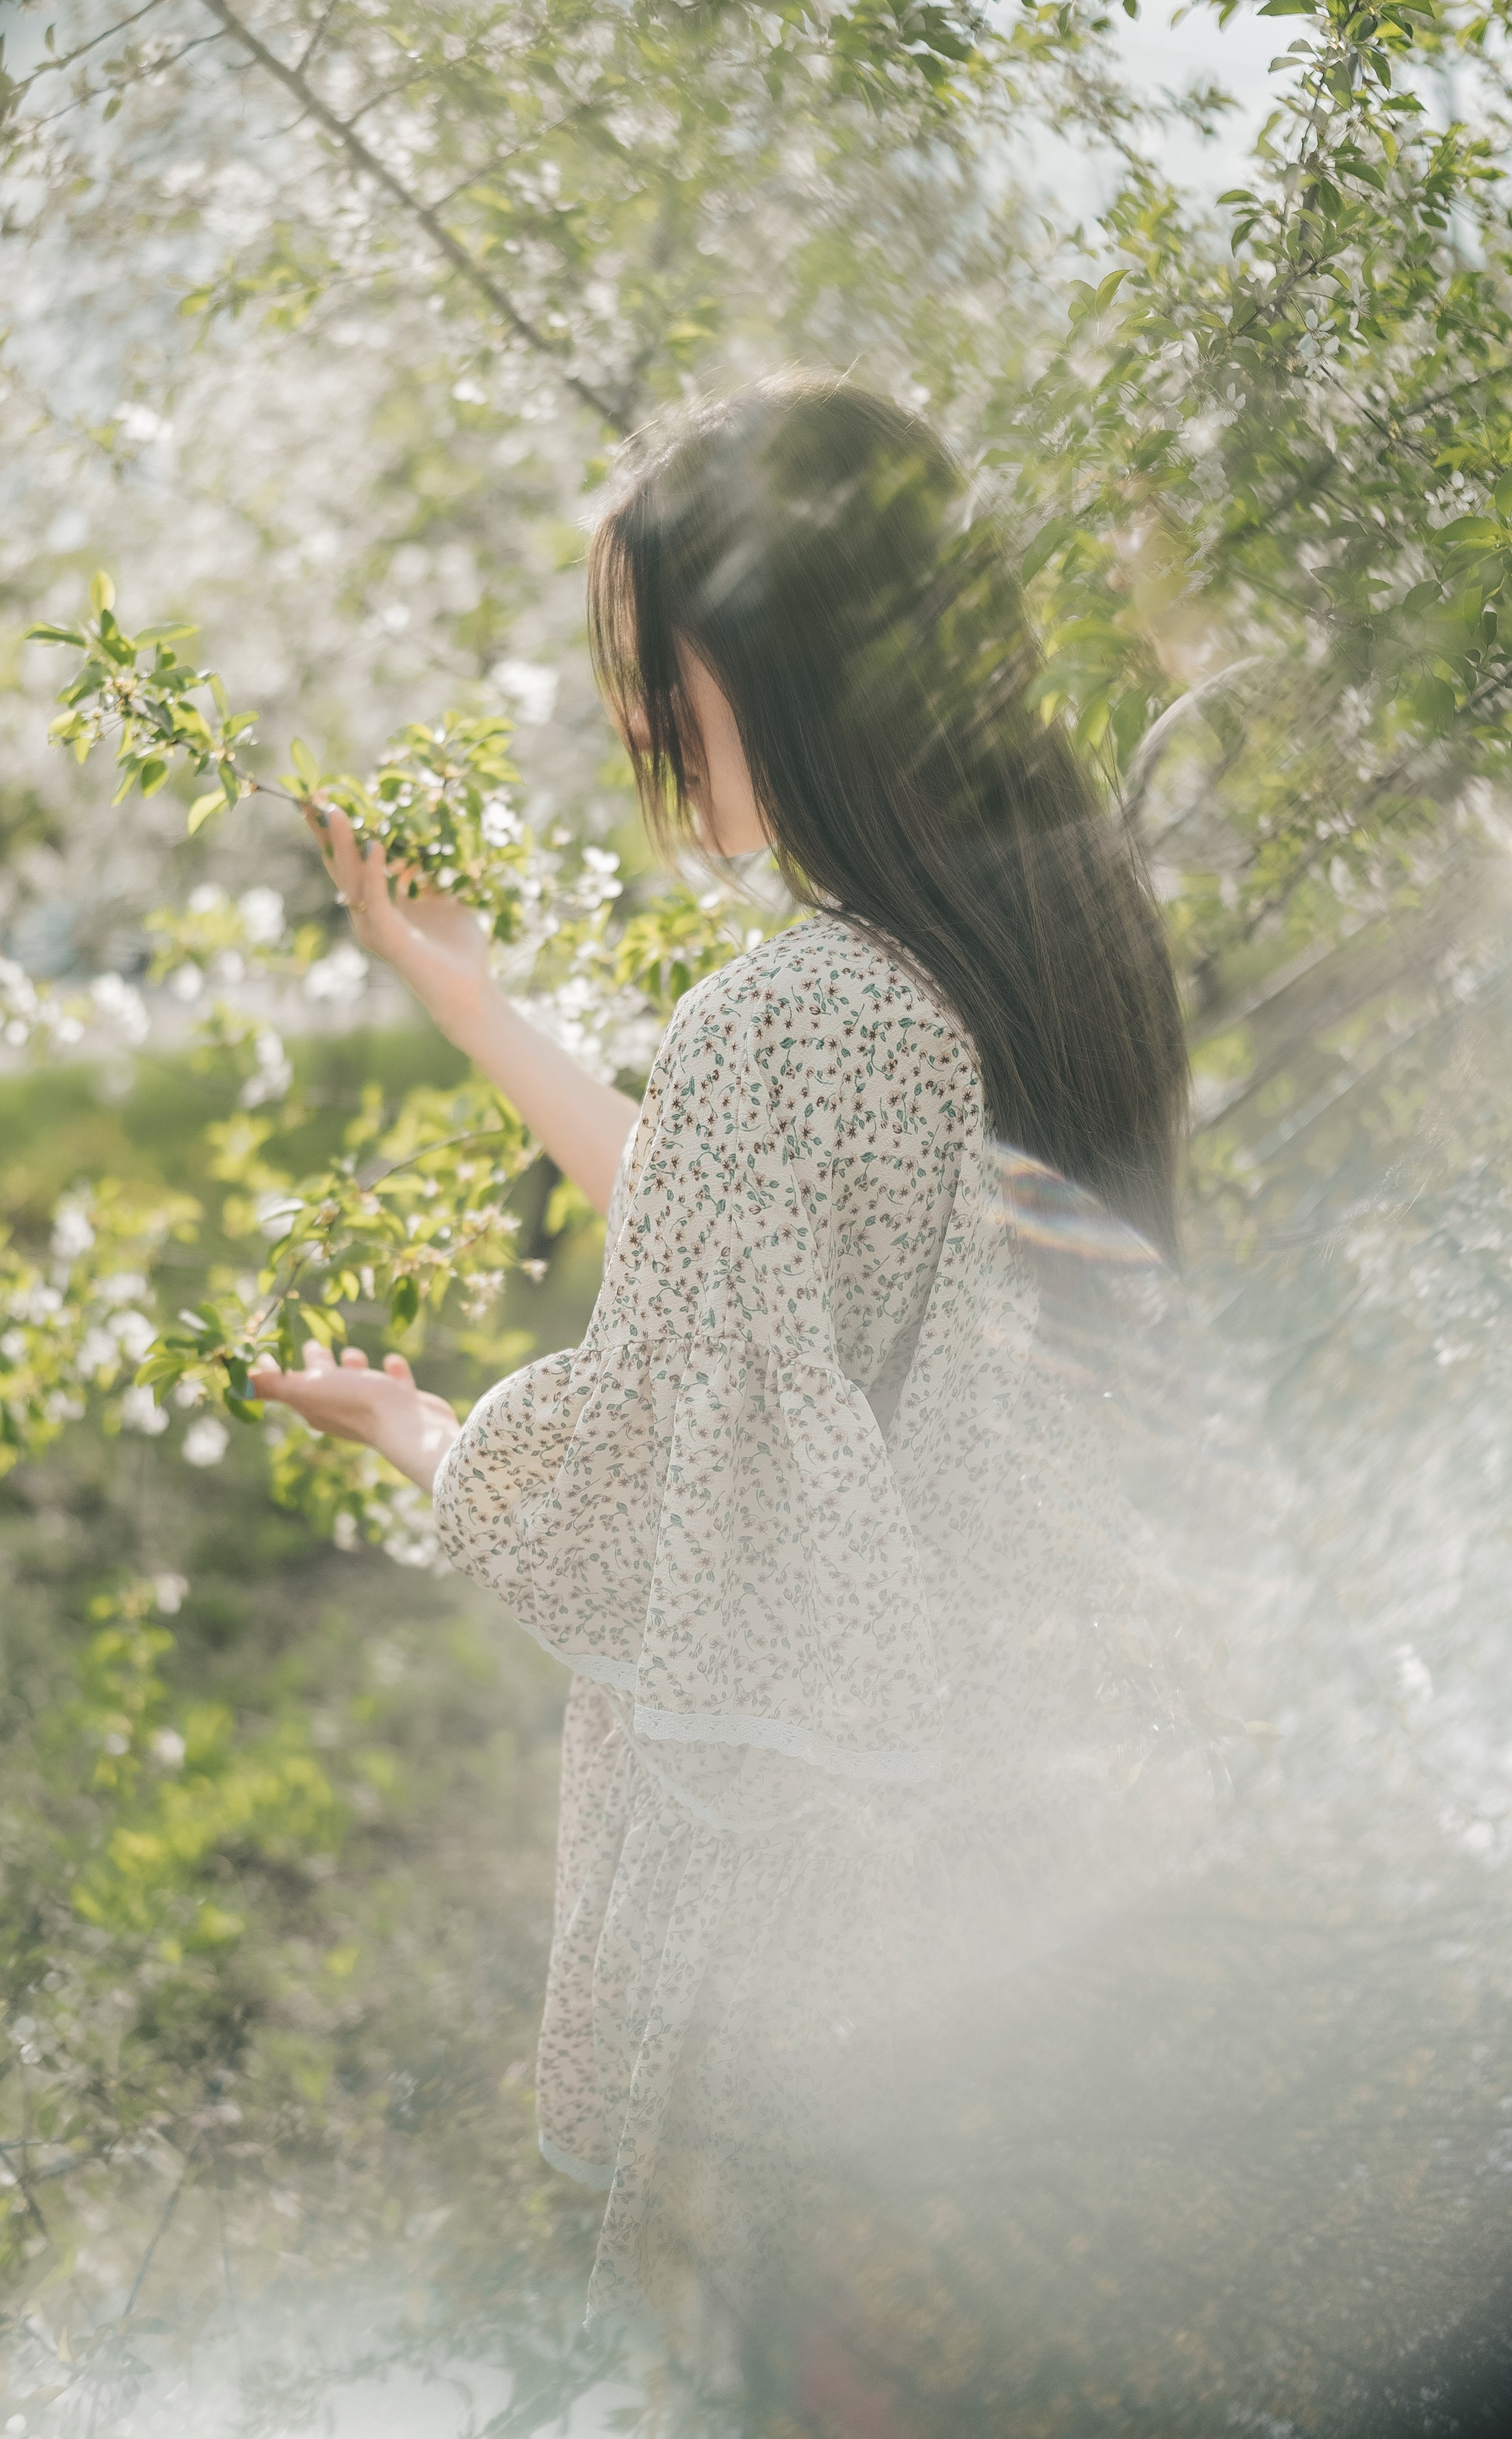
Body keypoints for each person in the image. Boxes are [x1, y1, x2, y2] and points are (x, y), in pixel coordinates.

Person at [248, 374, 1196, 2363]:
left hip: (807, 1949)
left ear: (772, 652)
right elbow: (766, 1256)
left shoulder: (799, 1017)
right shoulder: (1064, 930)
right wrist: (474, 1003)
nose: (649, 727)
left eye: (659, 669)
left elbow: (660, 1491)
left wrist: (419, 1427)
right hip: (1036, 1890)